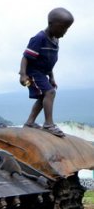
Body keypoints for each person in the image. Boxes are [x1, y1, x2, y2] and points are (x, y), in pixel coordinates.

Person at [20, 7, 74, 137]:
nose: (64, 32)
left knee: (43, 96)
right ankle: (49, 124)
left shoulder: (55, 40)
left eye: (67, 29)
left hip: (43, 73)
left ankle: (29, 122)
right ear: (51, 24)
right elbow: (25, 57)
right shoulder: (39, 38)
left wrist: (51, 77)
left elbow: (49, 62)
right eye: (62, 28)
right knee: (50, 92)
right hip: (32, 73)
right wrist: (23, 75)